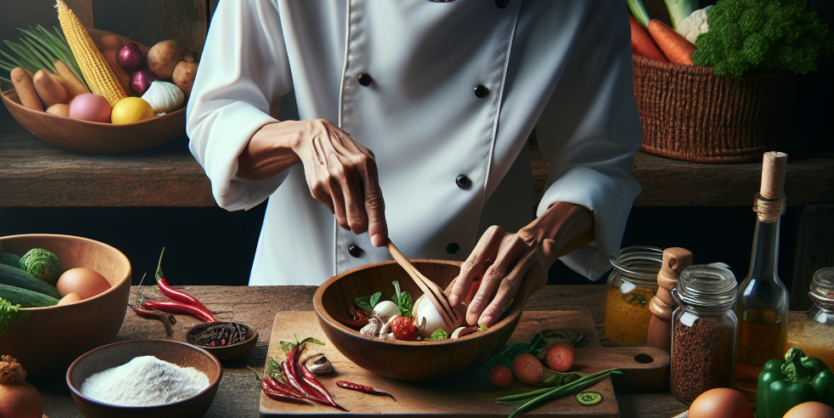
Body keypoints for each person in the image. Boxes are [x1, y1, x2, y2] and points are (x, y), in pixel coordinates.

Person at [187, 0, 642, 328]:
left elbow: (599, 160)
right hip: (300, 295)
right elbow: (214, 120)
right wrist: (300, 137)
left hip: (477, 306)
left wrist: (542, 239)